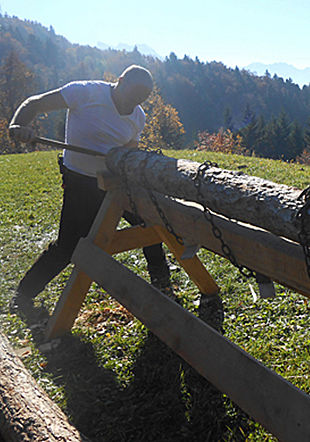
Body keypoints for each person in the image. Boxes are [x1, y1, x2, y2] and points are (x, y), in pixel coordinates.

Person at [9, 64, 171, 315]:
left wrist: (130, 160)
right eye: (131, 96)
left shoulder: (138, 116)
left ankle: (163, 285)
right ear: (119, 81)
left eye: (140, 99)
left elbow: (130, 148)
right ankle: (24, 294)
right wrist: (18, 125)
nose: (132, 104)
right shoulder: (84, 92)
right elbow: (34, 103)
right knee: (69, 246)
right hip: (80, 181)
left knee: (149, 225)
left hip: (117, 181)